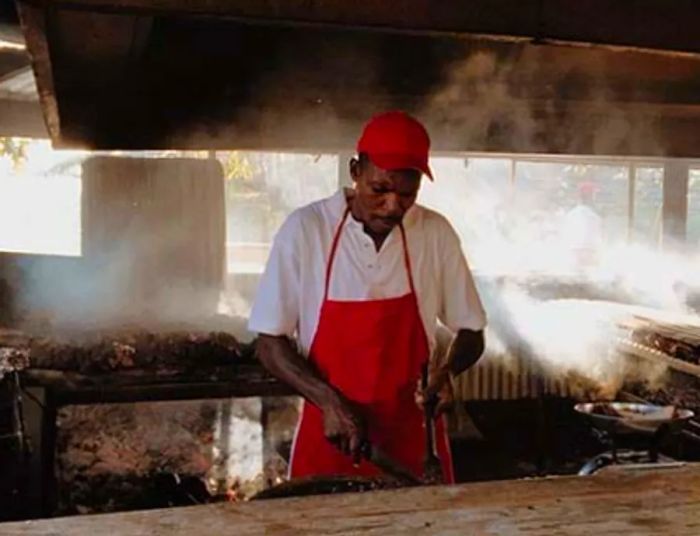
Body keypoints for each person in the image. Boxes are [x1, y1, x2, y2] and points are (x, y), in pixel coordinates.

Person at [248, 111, 487, 482]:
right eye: (380, 190)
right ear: (356, 171)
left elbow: (472, 330)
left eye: (407, 194)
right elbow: (269, 342)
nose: (393, 206)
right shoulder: (307, 230)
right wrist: (328, 401)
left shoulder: (435, 233)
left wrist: (446, 371)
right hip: (332, 438)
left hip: (413, 443)